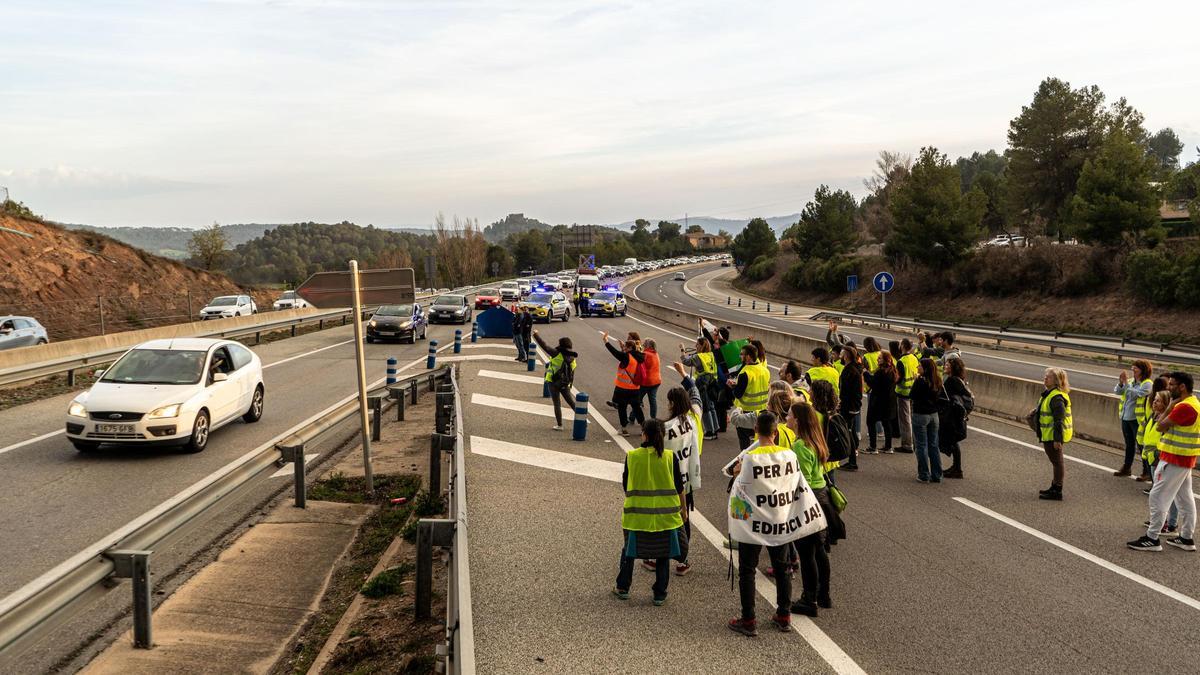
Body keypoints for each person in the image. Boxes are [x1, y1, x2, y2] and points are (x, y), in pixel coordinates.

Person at [727, 412, 799, 636]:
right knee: (782, 567)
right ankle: (784, 615)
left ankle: (748, 619)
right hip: (779, 518)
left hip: (754, 522)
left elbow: (739, 483)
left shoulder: (750, 458)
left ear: (755, 431)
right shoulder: (788, 455)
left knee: (747, 569)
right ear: (776, 432)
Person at [613, 420, 686, 605]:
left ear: (644, 434)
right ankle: (660, 593)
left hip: (636, 516)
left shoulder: (632, 456)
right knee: (663, 553)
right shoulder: (670, 457)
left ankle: (623, 587)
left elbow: (625, 485)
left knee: (629, 551)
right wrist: (684, 510)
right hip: (665, 517)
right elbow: (679, 487)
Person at [645, 363, 707, 575]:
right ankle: (683, 560)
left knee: (661, 518)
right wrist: (683, 375)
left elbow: (651, 451)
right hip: (687, 478)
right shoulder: (694, 417)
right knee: (683, 518)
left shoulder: (664, 428)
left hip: (665, 480)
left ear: (671, 403)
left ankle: (654, 557)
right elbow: (696, 394)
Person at [1128, 372, 1199, 552]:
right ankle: (1186, 537)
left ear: (1182, 387)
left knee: (1158, 496)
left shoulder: (1184, 407)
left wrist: (1171, 406)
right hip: (1182, 457)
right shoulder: (1193, 403)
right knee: (1184, 498)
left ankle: (1152, 538)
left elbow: (1160, 425)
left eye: (1172, 385)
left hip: (1175, 458)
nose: (1168, 388)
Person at [786, 402, 839, 614]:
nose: (786, 418)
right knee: (820, 551)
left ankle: (809, 600)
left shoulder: (799, 446)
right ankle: (823, 594)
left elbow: (803, 480)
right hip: (823, 497)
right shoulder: (815, 441)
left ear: (797, 421)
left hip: (809, 499)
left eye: (789, 415)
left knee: (806, 553)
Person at [1113, 360, 1154, 479]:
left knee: (1142, 446)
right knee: (1129, 444)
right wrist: (1121, 383)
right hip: (1125, 417)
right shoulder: (1130, 382)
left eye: (1136, 368)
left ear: (1143, 370)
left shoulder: (1147, 384)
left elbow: (1135, 394)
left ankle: (1146, 471)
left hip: (1138, 420)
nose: (1133, 369)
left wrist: (1126, 384)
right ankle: (1126, 468)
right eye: (1133, 367)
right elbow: (1118, 391)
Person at [909, 357, 947, 483]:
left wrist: (915, 381)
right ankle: (937, 474)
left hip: (920, 415)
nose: (917, 367)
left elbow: (912, 396)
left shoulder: (920, 381)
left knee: (921, 445)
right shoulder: (937, 380)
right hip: (934, 415)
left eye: (919, 366)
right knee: (933, 445)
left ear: (924, 368)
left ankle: (924, 474)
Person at [1037, 368, 1072, 501]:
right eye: (1045, 376)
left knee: (1057, 462)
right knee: (1056, 462)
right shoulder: (1049, 393)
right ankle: (1054, 487)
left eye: (1049, 377)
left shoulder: (1057, 397)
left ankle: (1057, 490)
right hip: (1049, 434)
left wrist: (1057, 439)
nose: (1045, 378)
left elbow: (1059, 420)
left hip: (1053, 436)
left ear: (1056, 381)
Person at [727, 343, 771, 449]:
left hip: (746, 411)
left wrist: (732, 386)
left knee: (744, 441)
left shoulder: (745, 373)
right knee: (759, 439)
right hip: (761, 410)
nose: (740, 356)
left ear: (748, 357)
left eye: (742, 354)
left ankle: (745, 460)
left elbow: (738, 394)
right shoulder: (765, 370)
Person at [532, 330, 576, 431]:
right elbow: (572, 372)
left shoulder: (556, 354)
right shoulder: (573, 357)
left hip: (553, 382)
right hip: (565, 383)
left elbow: (544, 346)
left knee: (557, 404)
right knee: (571, 402)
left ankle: (560, 425)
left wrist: (536, 334)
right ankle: (582, 418)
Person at [603, 332, 645, 435]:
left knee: (622, 408)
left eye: (625, 347)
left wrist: (606, 341)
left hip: (622, 388)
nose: (624, 349)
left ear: (630, 347)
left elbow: (614, 352)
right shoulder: (640, 356)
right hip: (635, 388)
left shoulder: (627, 357)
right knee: (637, 408)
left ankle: (624, 429)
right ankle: (644, 428)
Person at [680, 337, 720, 440]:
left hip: (702, 382)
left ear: (702, 346)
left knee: (705, 407)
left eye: (697, 344)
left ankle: (710, 432)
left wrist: (682, 350)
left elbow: (685, 361)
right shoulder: (711, 354)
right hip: (712, 381)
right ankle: (715, 428)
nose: (695, 346)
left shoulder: (699, 357)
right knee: (711, 406)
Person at [940, 358, 971, 479]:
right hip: (954, 415)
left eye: (947, 365)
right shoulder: (957, 380)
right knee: (953, 441)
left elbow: (946, 396)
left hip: (952, 416)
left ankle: (957, 469)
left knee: (952, 440)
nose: (945, 366)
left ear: (953, 368)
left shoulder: (953, 381)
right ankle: (956, 467)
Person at [864, 352, 899, 453]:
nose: (877, 360)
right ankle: (888, 446)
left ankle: (873, 447)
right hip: (889, 401)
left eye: (880, 358)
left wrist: (866, 374)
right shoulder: (893, 371)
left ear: (885, 360)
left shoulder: (881, 372)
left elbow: (874, 384)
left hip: (878, 401)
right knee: (886, 423)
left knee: (870, 422)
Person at [838, 346, 863, 471]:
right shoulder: (852, 369)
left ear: (846, 356)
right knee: (850, 432)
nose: (840, 357)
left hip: (849, 407)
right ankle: (851, 459)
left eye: (842, 354)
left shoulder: (850, 371)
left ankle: (852, 461)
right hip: (852, 406)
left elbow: (847, 392)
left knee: (848, 432)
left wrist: (842, 403)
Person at [892, 339, 918, 453]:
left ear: (902, 346)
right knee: (911, 419)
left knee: (905, 420)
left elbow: (898, 378)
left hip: (903, 393)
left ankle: (907, 444)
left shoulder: (901, 361)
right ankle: (913, 442)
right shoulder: (914, 358)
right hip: (913, 391)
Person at [637, 339, 663, 420]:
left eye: (644, 344)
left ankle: (632, 417)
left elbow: (639, 364)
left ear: (648, 346)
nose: (643, 345)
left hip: (647, 382)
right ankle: (653, 418)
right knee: (653, 401)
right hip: (657, 381)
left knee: (637, 400)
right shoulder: (655, 354)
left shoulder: (645, 354)